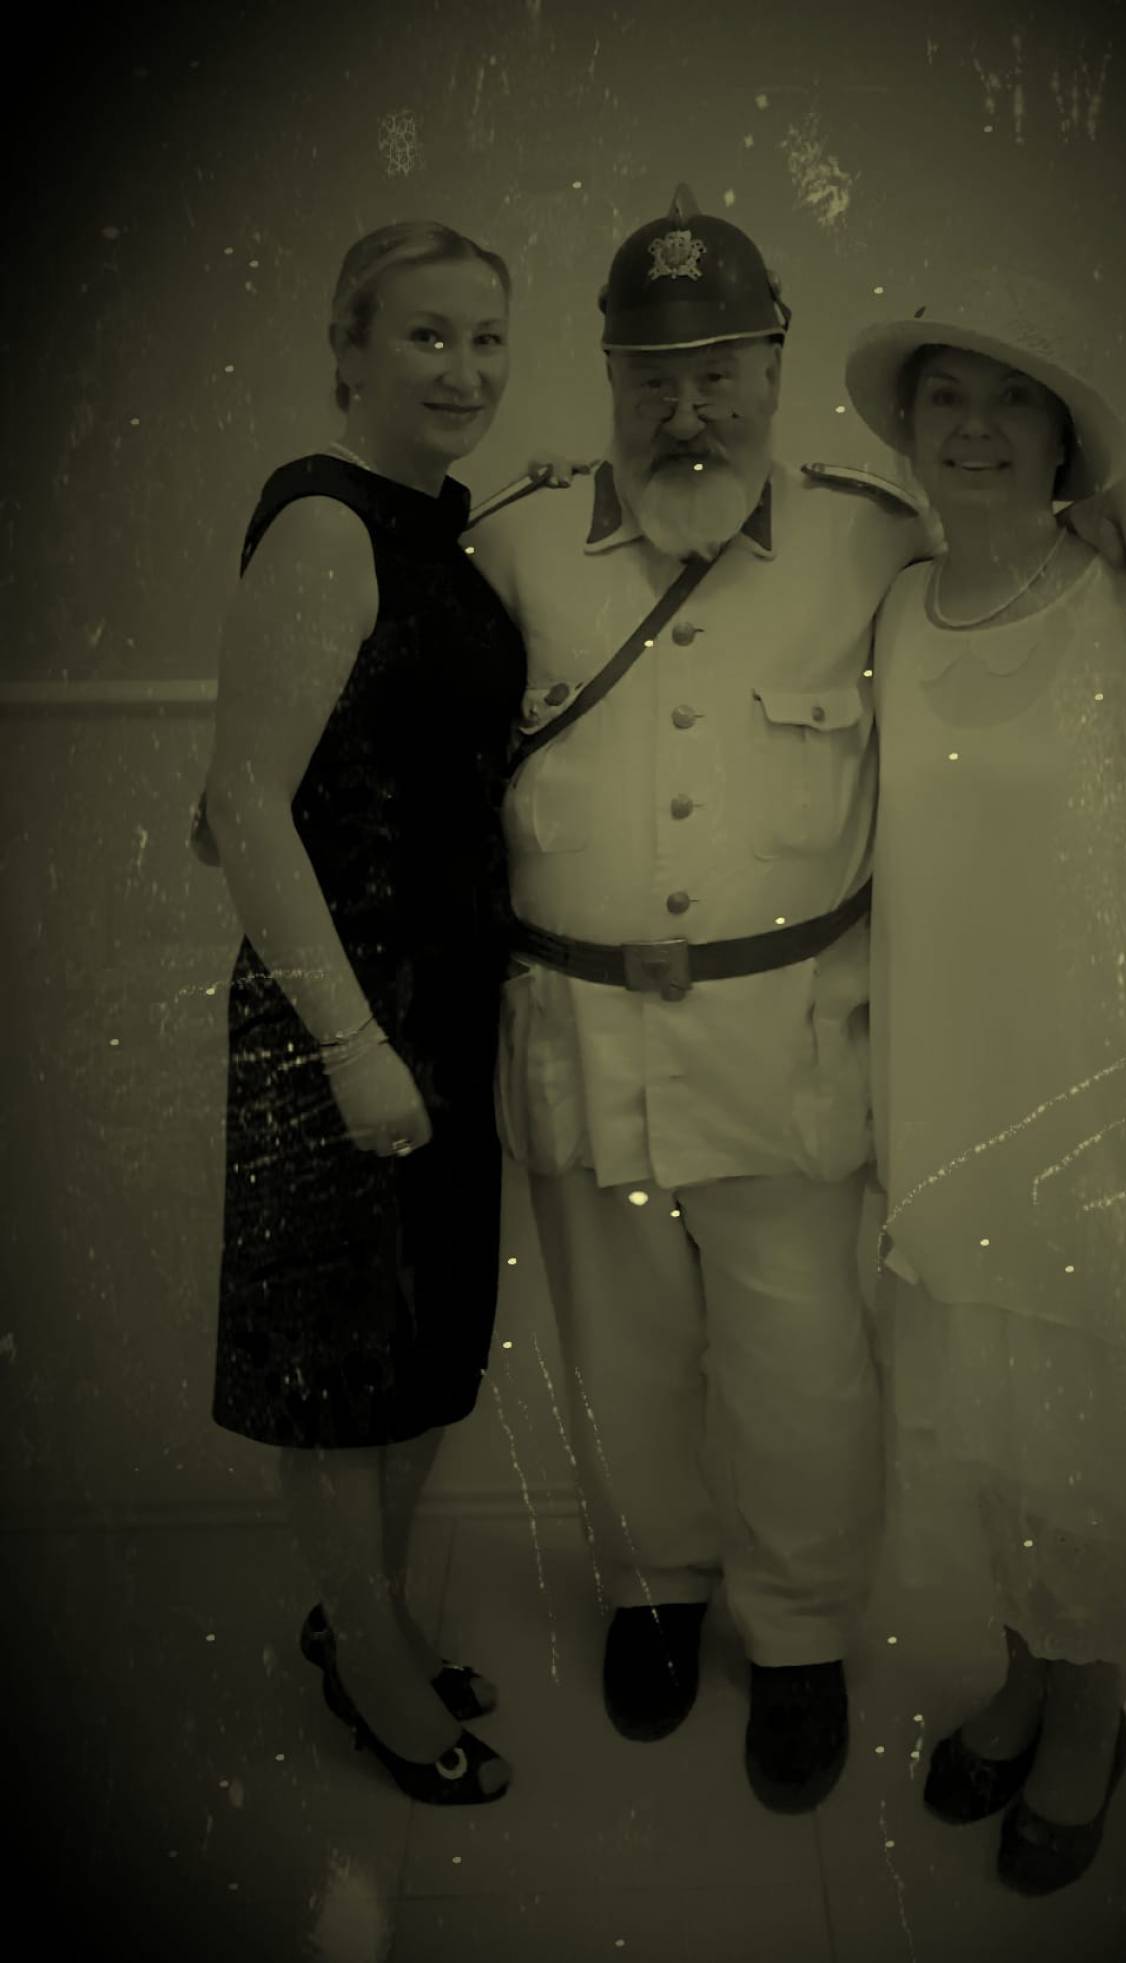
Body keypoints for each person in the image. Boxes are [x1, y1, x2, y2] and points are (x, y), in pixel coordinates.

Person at [467, 189, 1126, 1814]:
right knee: (622, 1356)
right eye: (656, 377)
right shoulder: (508, 552)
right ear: (609, 377)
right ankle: (655, 1592)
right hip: (580, 1038)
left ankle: (797, 1637)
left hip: (788, 1047)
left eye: (721, 373)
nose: (689, 409)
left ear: (776, 371)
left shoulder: (877, 543)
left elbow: (1022, 566)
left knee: (800, 1372)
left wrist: (1121, 511)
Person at [845, 273, 1126, 1889]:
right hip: (955, 1100)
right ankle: (1028, 1672)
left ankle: (1094, 1716)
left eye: (1009, 401)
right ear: (909, 428)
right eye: (945, 397)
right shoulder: (893, 610)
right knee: (997, 1428)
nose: (972, 426)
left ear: (1062, 444)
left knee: (1108, 1438)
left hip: (1118, 1104)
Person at [201, 220, 530, 1808]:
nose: (463, 370)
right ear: (348, 347)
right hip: (348, 1019)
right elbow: (242, 807)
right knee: (341, 1379)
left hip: (441, 1013)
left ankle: (368, 1623)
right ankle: (377, 1672)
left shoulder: (437, 529)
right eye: (426, 335)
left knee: (420, 1356)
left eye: (488, 338)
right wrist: (349, 1049)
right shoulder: (328, 520)